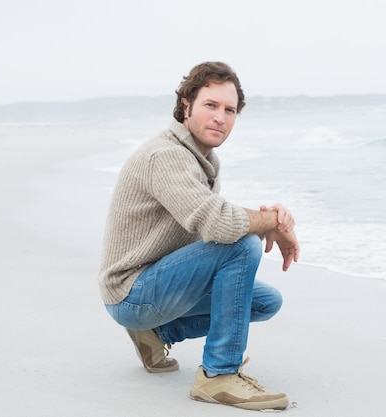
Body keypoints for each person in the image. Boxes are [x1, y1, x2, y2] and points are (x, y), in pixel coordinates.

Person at [98, 61, 300, 411]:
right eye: (211, 105)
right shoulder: (167, 156)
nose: (221, 117)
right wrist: (269, 222)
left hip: (156, 284)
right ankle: (218, 375)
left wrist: (270, 220)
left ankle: (157, 335)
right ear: (186, 106)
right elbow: (221, 227)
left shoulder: (202, 159)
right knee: (241, 245)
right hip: (131, 292)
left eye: (230, 110)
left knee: (265, 302)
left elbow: (210, 218)